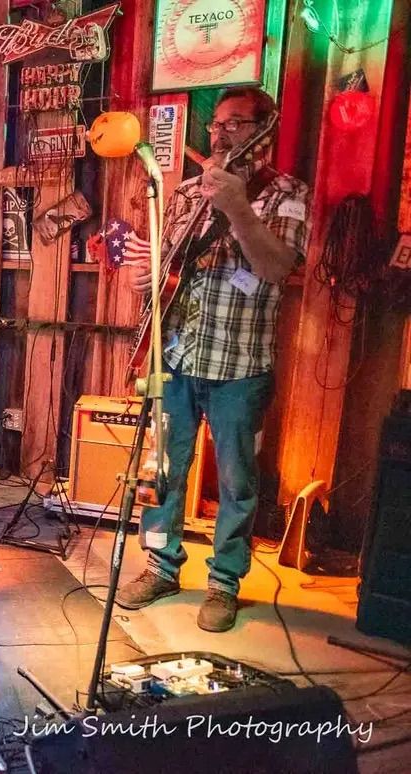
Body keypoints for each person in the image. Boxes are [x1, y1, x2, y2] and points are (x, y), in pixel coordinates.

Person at [116, 87, 310, 632]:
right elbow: (167, 267)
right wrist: (144, 277)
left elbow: (276, 268)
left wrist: (239, 210)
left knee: (236, 481)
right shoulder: (184, 193)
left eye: (235, 124)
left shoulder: (288, 194)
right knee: (161, 473)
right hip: (175, 355)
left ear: (264, 130)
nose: (220, 134)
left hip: (240, 365)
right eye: (216, 125)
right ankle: (160, 564)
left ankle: (224, 582)